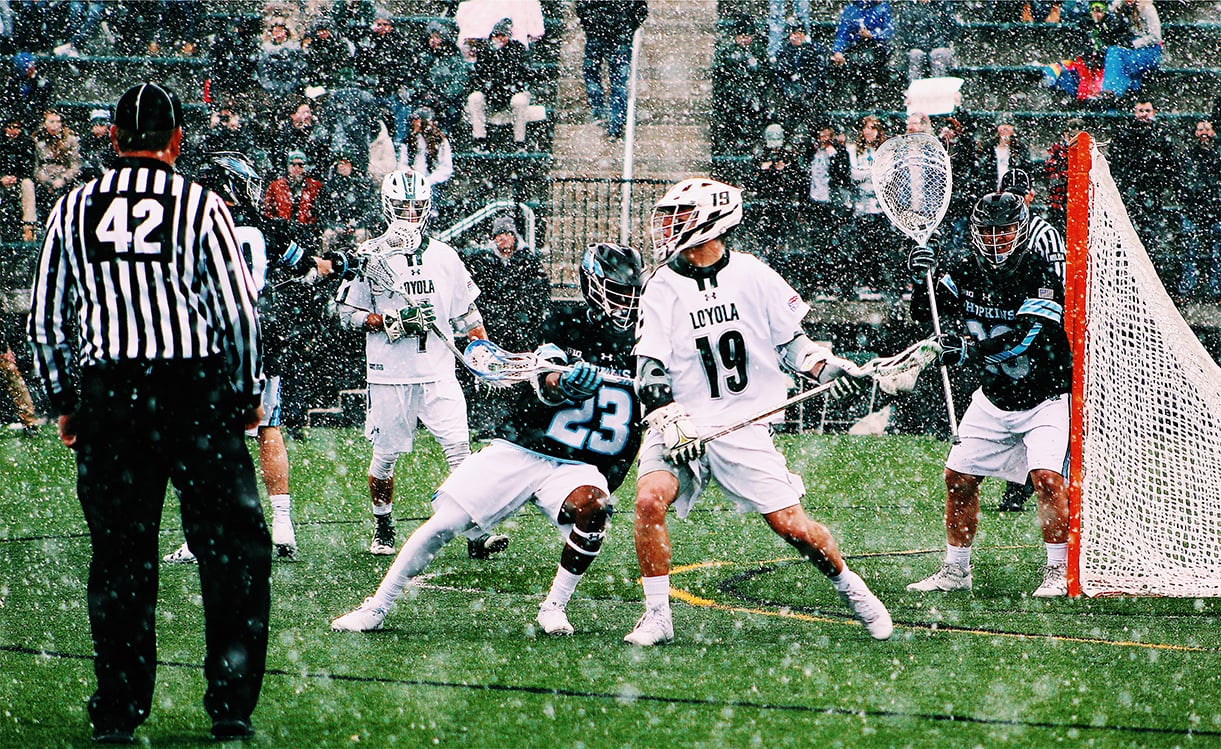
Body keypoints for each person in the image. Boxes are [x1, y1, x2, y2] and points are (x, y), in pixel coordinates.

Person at [27, 81, 269, 743]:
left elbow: (46, 320)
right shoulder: (199, 204)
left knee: (121, 559)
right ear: (177, 140)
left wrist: (65, 402)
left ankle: (119, 706)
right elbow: (238, 314)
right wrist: (245, 393)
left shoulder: (73, 207)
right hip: (193, 394)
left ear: (111, 138)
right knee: (233, 555)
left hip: (111, 394)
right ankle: (229, 703)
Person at [622, 177, 893, 646]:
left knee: (794, 529)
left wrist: (828, 368)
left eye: (680, 217)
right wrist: (666, 413)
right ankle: (656, 615)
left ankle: (855, 591)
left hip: (742, 424)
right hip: (680, 419)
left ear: (712, 220)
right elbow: (649, 365)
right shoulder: (660, 286)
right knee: (648, 500)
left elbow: (793, 344)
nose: (668, 227)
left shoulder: (753, 274)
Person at [332, 241, 646, 635]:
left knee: (594, 508)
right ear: (591, 284)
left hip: (582, 463)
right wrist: (562, 382)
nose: (626, 301)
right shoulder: (566, 321)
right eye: (617, 290)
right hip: (525, 447)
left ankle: (554, 606)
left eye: (632, 291)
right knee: (444, 524)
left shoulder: (649, 338)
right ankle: (377, 606)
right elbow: (545, 382)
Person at [163, 151, 354, 565]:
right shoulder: (268, 229)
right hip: (263, 334)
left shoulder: (194, 229)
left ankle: (205, 536)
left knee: (207, 436)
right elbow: (313, 268)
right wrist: (342, 262)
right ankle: (282, 529)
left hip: (211, 337)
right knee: (270, 426)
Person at [906, 191, 1073, 598]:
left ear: (1021, 229)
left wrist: (969, 351)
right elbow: (923, 312)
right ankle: (956, 570)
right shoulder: (965, 270)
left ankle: (1058, 570)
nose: (995, 237)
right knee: (958, 478)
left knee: (1047, 479)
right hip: (994, 396)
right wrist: (919, 278)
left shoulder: (1038, 273)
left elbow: (1030, 337)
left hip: (1045, 397)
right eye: (987, 230)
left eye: (1004, 230)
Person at [335, 169, 505, 559]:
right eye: (401, 207)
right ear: (386, 206)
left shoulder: (445, 256)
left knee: (460, 453)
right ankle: (383, 523)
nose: (410, 215)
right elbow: (347, 313)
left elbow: (469, 316)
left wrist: (480, 349)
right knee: (385, 456)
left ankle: (475, 535)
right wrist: (390, 322)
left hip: (439, 372)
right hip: (391, 373)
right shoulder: (370, 256)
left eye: (416, 207)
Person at [464, 214, 552, 437]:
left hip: (520, 331)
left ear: (514, 236)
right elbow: (477, 295)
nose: (502, 239)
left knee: (520, 376)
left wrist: (523, 316)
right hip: (496, 329)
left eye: (506, 234)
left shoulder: (528, 261)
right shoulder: (483, 261)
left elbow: (539, 294)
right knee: (492, 377)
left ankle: (516, 422)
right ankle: (490, 424)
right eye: (498, 235)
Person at [574, 0, 647, 139]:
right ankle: (616, 123)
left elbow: (581, 6)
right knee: (619, 81)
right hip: (620, 36)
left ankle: (599, 112)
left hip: (597, 33)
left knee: (592, 73)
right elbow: (641, 10)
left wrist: (590, 24)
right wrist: (628, 26)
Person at [466, 17, 533, 151]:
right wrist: (489, 88)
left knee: (519, 102)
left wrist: (510, 87)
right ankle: (480, 139)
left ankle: (519, 141)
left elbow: (525, 75)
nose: (500, 39)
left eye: (503, 35)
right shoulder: (486, 52)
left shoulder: (517, 50)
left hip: (513, 92)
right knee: (474, 98)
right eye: (497, 35)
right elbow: (479, 76)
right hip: (490, 93)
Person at [1175, 120, 1221, 301]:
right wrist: (1188, 198)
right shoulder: (1188, 155)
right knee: (1190, 252)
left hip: (1216, 209)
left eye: (1207, 129)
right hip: (1194, 209)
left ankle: (1217, 289)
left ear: (1213, 132)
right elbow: (1181, 180)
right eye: (1200, 129)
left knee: (1217, 254)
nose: (1204, 132)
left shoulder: (1218, 155)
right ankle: (1187, 288)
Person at [828, 0, 895, 108]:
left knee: (869, 63)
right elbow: (842, 33)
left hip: (877, 48)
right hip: (856, 48)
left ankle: (872, 99)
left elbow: (889, 31)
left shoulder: (882, 7)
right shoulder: (851, 9)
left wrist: (872, 35)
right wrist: (838, 51)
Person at [1099, 0, 1161, 102]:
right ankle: (1114, 92)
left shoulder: (1148, 9)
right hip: (1134, 50)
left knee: (1118, 57)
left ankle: (1113, 91)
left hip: (1149, 51)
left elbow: (1156, 36)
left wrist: (1136, 43)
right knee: (1114, 52)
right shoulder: (1124, 9)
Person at [894, 0, 957, 82]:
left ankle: (939, 86)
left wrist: (937, 43)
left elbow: (949, 29)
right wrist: (919, 44)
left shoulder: (942, 6)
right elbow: (905, 31)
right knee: (916, 55)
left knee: (938, 54)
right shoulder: (909, 7)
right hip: (916, 46)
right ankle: (914, 85)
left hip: (939, 45)